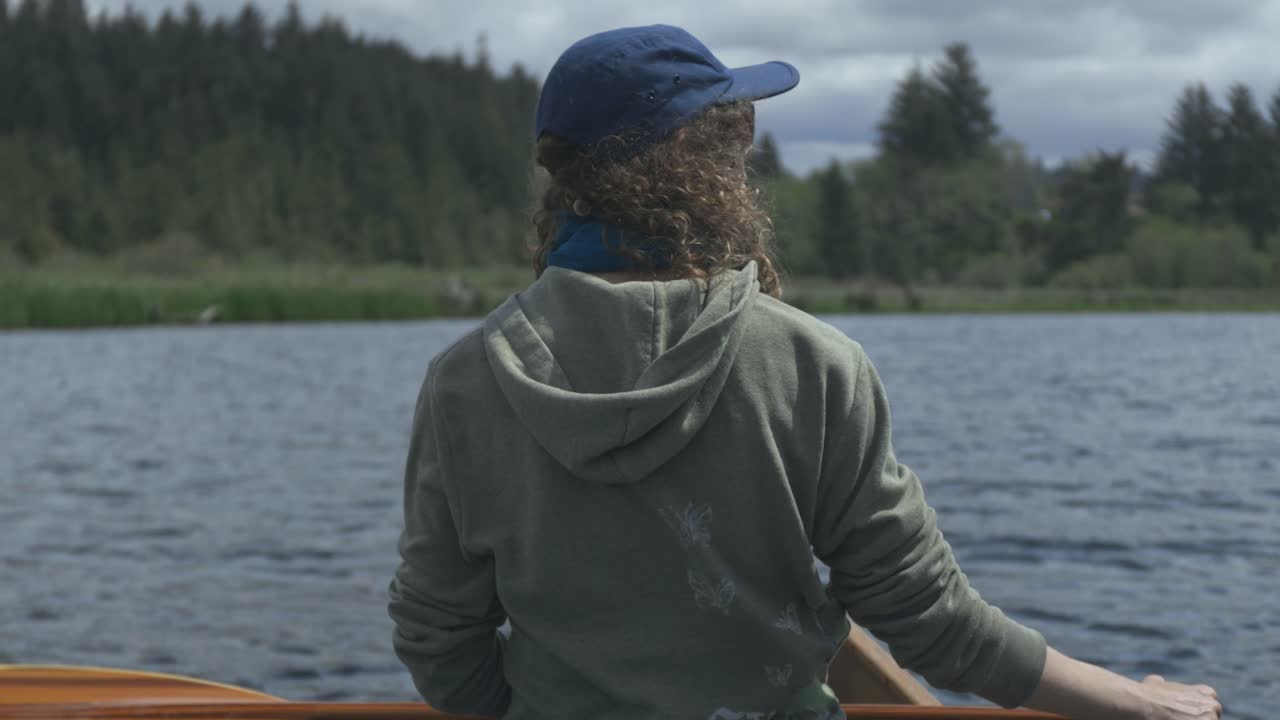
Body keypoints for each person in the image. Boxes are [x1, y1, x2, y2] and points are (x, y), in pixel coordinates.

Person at [387, 24, 1222, 720]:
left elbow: (438, 644)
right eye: (738, 127)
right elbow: (934, 625)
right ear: (707, 161)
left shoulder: (465, 381)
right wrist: (1138, 703)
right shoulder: (814, 366)